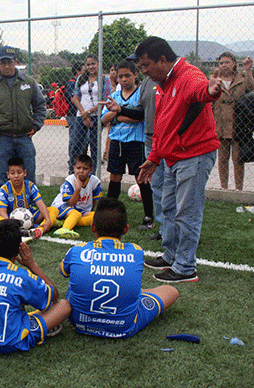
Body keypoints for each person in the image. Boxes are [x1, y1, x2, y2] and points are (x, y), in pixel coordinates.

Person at [104, 37, 222, 282]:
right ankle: (171, 255)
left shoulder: (190, 76)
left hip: (194, 154)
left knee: (186, 211)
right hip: (170, 156)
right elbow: (162, 125)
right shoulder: (162, 84)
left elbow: (202, 91)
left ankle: (186, 267)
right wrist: (155, 157)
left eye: (147, 65)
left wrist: (212, 91)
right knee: (167, 206)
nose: (144, 71)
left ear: (163, 60)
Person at [60, 197, 179, 338]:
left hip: (78, 323)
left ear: (92, 227)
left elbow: (63, 271)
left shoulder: (77, 250)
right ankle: (137, 293)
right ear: (126, 229)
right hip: (124, 328)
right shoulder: (136, 251)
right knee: (171, 291)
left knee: (75, 282)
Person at [0, 219, 71, 353]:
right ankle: (37, 327)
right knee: (64, 305)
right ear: (19, 248)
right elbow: (54, 296)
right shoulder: (22, 276)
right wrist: (33, 265)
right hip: (12, 342)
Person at [0, 46, 47, 187]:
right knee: (3, 179)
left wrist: (36, 125)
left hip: (24, 138)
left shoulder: (29, 82)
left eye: (10, 62)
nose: (7, 66)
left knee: (29, 177)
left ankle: (28, 207)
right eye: (3, 63)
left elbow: (41, 106)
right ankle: (5, 208)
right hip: (2, 139)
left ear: (16, 61)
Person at [101, 60, 155, 231]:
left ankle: (148, 216)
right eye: (120, 76)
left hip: (136, 143)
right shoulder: (114, 96)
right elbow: (104, 119)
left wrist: (117, 115)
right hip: (117, 142)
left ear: (135, 75)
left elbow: (140, 117)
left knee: (141, 178)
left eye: (127, 76)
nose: (124, 79)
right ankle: (111, 215)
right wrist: (117, 116)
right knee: (114, 177)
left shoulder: (141, 94)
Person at [213, 52, 254, 191]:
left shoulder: (241, 79)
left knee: (238, 160)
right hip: (220, 126)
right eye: (221, 63)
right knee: (222, 160)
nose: (224, 65)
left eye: (227, 62)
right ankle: (224, 189)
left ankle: (239, 190)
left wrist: (248, 70)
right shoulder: (214, 80)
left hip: (238, 126)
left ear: (234, 64)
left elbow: (251, 89)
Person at [0, 157, 59, 239]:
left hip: (29, 215)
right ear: (8, 175)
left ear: (24, 173)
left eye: (19, 172)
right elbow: (2, 210)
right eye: (12, 173)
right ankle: (17, 229)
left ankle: (40, 229)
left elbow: (40, 203)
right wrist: (8, 223)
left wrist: (47, 220)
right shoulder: (4, 189)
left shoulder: (30, 185)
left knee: (53, 210)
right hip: (10, 217)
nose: (16, 176)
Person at [69, 54, 112, 170]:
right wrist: (83, 114)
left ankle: (93, 173)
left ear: (98, 64)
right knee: (76, 145)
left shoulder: (104, 80)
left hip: (96, 116)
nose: (91, 66)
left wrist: (89, 112)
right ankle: (73, 172)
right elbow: (75, 97)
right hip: (81, 116)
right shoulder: (81, 78)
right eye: (88, 64)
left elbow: (105, 99)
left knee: (94, 147)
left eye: (93, 63)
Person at [51, 154, 103, 239]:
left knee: (98, 216)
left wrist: (88, 212)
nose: (81, 171)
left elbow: (94, 200)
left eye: (85, 169)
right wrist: (78, 188)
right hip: (62, 205)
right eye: (78, 168)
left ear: (91, 170)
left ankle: (64, 221)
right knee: (75, 214)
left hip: (79, 209)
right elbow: (71, 203)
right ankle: (64, 229)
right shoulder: (70, 181)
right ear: (74, 168)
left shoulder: (94, 181)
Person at [65, 62, 86, 173]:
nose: (85, 72)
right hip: (73, 115)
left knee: (81, 140)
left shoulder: (80, 82)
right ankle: (72, 161)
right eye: (83, 70)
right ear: (78, 71)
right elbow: (72, 98)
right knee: (74, 139)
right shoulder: (72, 83)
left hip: (78, 114)